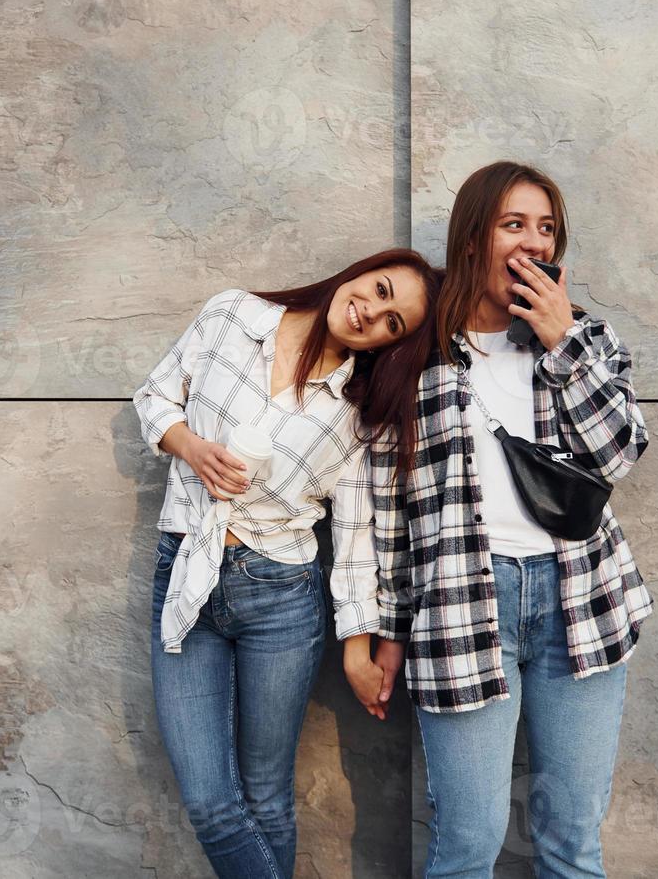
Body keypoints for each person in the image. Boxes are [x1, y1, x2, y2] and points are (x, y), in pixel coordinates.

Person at [346, 161, 654, 878]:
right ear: (472, 236)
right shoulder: (414, 357)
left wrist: (561, 343)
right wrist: (385, 630)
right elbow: (387, 512)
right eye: (513, 224)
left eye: (545, 228)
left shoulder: (587, 339)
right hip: (460, 607)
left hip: (581, 600)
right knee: (467, 844)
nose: (533, 242)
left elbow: (620, 453)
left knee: (571, 843)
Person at [133, 248, 442, 879]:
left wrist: (358, 645)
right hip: (186, 570)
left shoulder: (359, 415)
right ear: (360, 271)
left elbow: (356, 539)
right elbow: (155, 396)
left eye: (393, 323)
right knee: (212, 804)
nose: (372, 313)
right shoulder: (233, 314)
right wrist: (190, 447)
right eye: (379, 290)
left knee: (266, 797)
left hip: (280, 595)